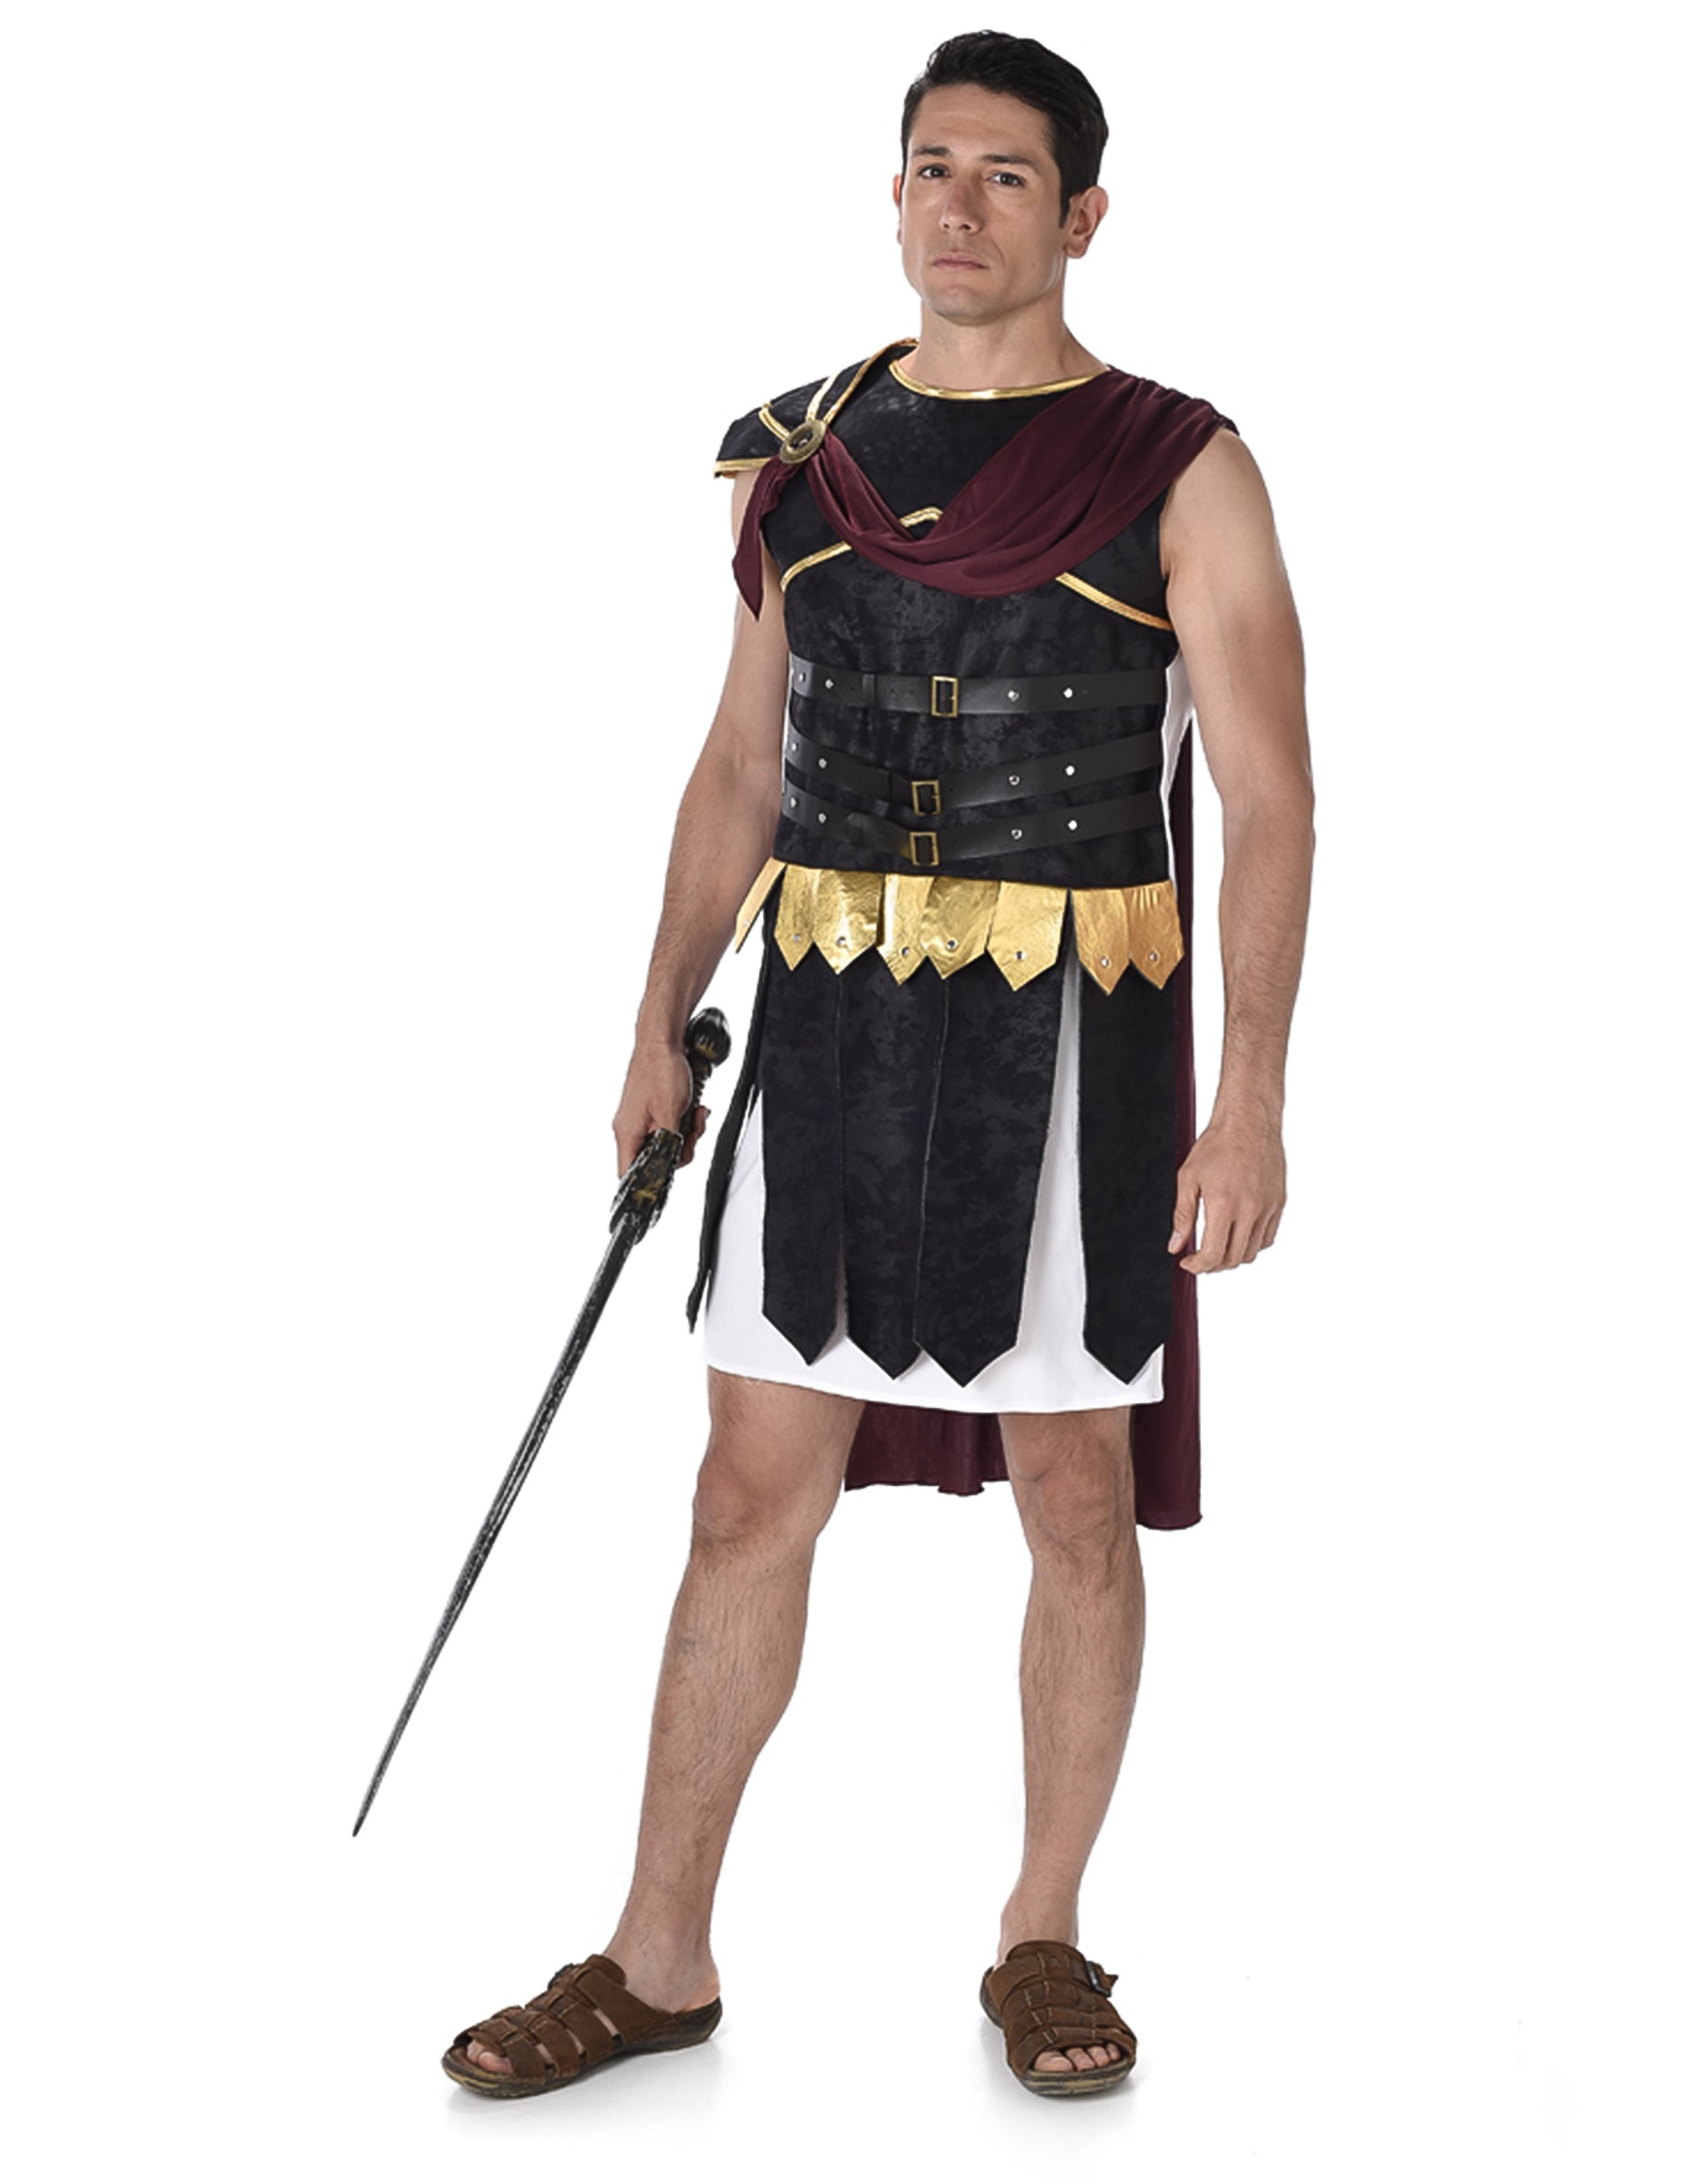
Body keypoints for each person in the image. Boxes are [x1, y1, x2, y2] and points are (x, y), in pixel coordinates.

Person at [441, 27, 1313, 2101]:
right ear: (892, 193)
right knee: (747, 1492)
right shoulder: (801, 459)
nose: (959, 205)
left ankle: (1042, 1938)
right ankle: (656, 1958)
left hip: (1072, 1044)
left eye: (1005, 174)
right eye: (931, 166)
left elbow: (1271, 799)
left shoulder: (1178, 463)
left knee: (1073, 1495)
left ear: (1081, 215)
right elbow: (740, 767)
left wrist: (1252, 1098)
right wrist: (653, 1018)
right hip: (826, 1024)